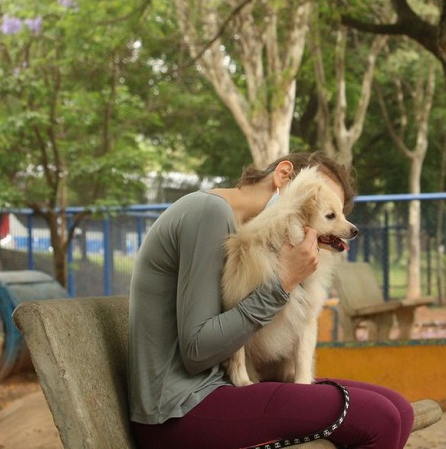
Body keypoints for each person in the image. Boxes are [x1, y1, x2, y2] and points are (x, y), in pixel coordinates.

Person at [128, 151, 414, 448]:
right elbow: (196, 350)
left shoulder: (238, 229)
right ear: (283, 175)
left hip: (220, 392)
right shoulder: (208, 212)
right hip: (180, 410)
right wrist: (283, 283)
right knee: (380, 418)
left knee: (400, 409)